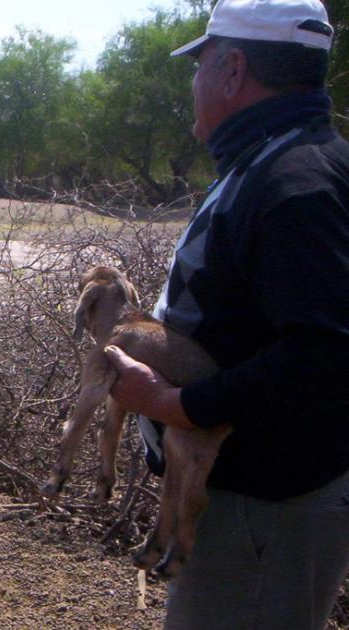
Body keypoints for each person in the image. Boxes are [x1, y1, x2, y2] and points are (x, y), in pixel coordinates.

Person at [102, 0, 349, 628]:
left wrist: (175, 406)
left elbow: (322, 357)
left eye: (201, 64)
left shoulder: (297, 184)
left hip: (265, 511)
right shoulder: (283, 159)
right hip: (253, 512)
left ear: (233, 70)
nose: (195, 83)